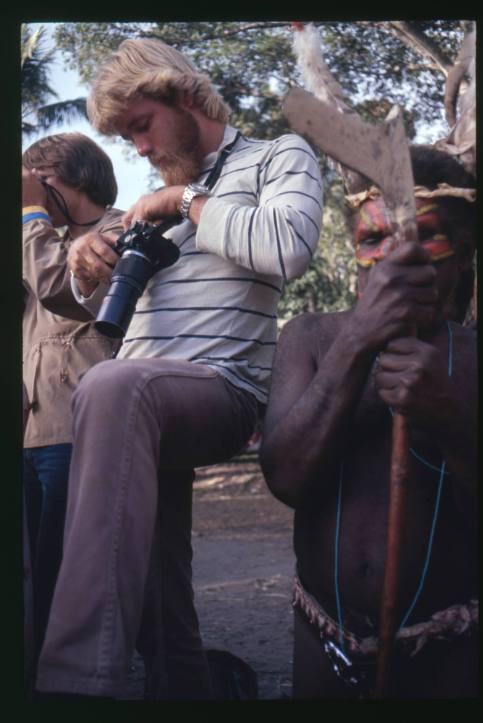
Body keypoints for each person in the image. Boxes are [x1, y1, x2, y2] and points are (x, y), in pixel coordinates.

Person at [35, 38, 322, 699]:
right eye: (127, 136)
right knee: (157, 573)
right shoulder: (151, 194)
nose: (138, 148)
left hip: (224, 386)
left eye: (142, 125)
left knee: (109, 384)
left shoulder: (278, 156)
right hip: (135, 394)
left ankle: (74, 680)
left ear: (186, 97)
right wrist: (87, 264)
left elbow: (287, 246)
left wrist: (187, 203)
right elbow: (102, 306)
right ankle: (184, 689)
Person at [260, 146, 477, 699]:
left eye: (421, 235)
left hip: (454, 651)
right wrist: (357, 342)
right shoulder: (309, 339)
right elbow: (286, 480)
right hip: (324, 641)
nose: (394, 259)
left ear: (463, 253)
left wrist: (453, 417)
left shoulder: (478, 356)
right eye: (373, 239)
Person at [22, 132, 123, 664]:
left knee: (68, 570)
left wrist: (29, 217)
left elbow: (67, 290)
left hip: (78, 432)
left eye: (39, 185)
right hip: (30, 434)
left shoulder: (120, 228)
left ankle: (71, 682)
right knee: (34, 573)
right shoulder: (34, 243)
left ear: (73, 178)